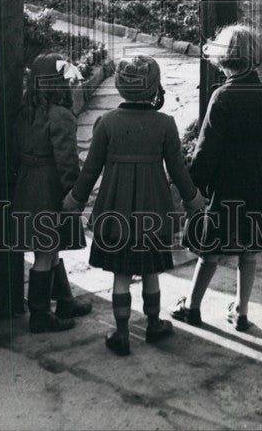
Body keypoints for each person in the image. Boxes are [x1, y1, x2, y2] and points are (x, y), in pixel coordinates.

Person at [62, 55, 206, 356]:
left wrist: (74, 200)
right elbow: (178, 171)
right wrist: (193, 200)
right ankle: (153, 324)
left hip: (116, 211)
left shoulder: (106, 123)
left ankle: (121, 333)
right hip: (153, 211)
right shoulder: (165, 124)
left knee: (121, 274)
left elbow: (90, 170)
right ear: (154, 87)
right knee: (151, 271)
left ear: (120, 86)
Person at [172, 24, 262, 332]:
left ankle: (192, 307)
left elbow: (206, 148)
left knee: (209, 250)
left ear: (223, 60)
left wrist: (195, 187)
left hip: (226, 186)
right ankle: (242, 312)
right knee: (249, 251)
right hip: (257, 184)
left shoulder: (222, 97)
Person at [12, 53, 93, 333]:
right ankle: (40, 314)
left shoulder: (25, 112)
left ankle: (64, 301)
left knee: (48, 246)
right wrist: (74, 193)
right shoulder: (61, 115)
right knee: (45, 253)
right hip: (48, 187)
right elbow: (67, 159)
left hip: (27, 185)